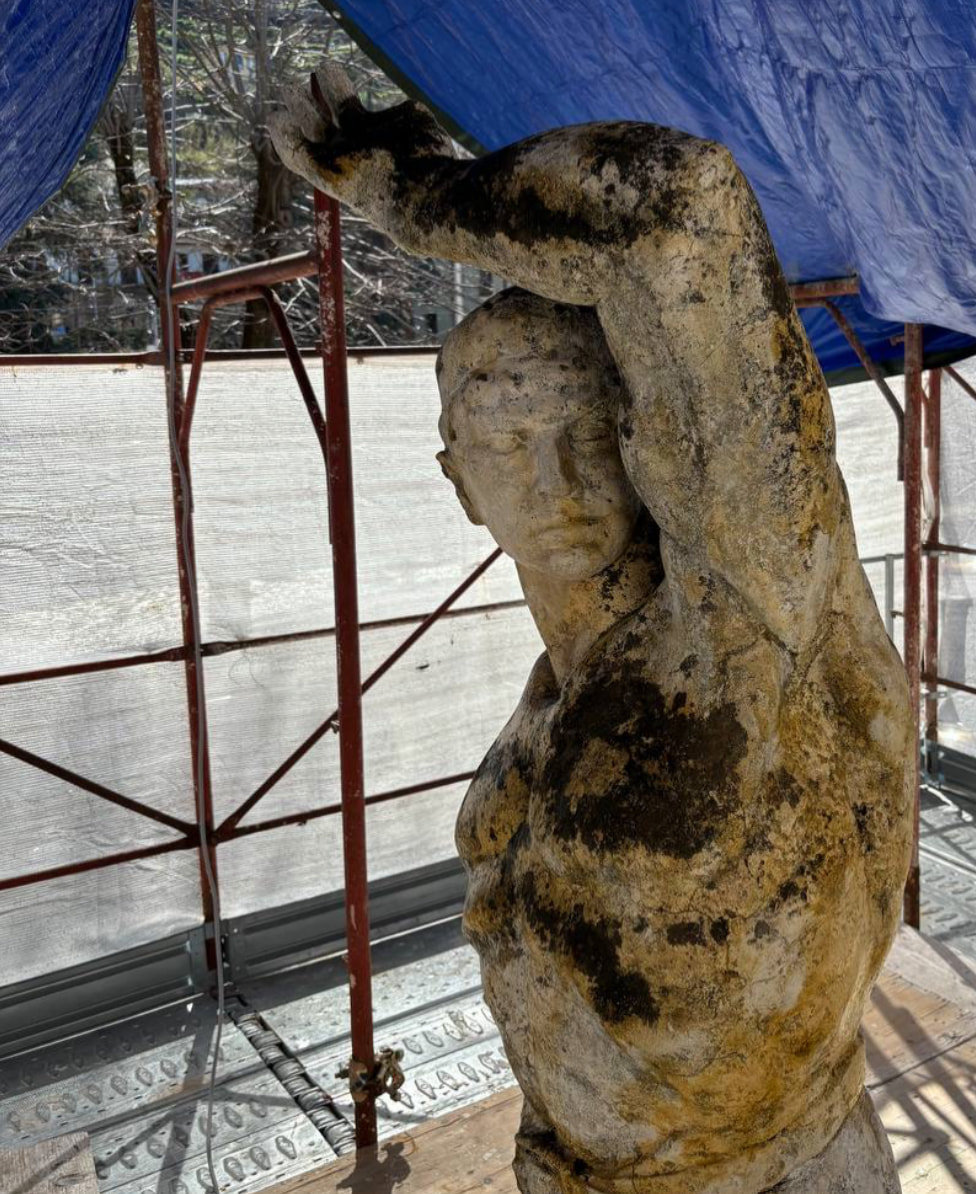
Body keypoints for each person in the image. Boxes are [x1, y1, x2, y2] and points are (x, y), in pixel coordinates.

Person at [271, 64, 913, 1194]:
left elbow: (678, 207)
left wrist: (405, 195)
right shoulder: (539, 726)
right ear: (459, 481)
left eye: (582, 428)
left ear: (643, 433)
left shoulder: (750, 632)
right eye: (507, 443)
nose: (556, 474)